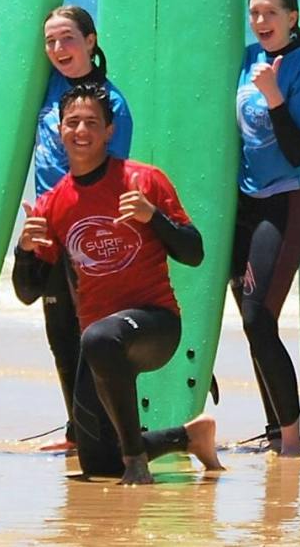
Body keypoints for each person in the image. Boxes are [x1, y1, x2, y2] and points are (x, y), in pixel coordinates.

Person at [13, 83, 222, 484]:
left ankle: (136, 463)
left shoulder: (144, 180)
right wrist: (25, 250)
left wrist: (153, 218)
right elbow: (26, 293)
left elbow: (194, 253)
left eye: (92, 122)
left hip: (155, 325)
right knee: (97, 463)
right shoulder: (54, 203)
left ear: (109, 131)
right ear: (60, 131)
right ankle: (188, 436)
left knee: (95, 338)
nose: (81, 130)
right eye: (72, 122)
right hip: (101, 344)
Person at [232, 0, 300, 456]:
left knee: (259, 318)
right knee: (250, 320)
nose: (260, 22)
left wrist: (273, 96)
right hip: (246, 204)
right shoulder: (247, 59)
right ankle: (275, 428)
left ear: (292, 17)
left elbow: (297, 152)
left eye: (270, 13)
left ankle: (291, 439)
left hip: (286, 203)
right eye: (254, 13)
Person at [28, 4, 133, 450]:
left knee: (92, 330)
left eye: (67, 38)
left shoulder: (112, 104)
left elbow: (114, 174)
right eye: (50, 41)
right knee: (60, 332)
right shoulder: (46, 86)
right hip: (48, 224)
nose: (57, 48)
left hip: (86, 229)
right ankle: (78, 429)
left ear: (91, 40)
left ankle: (102, 427)